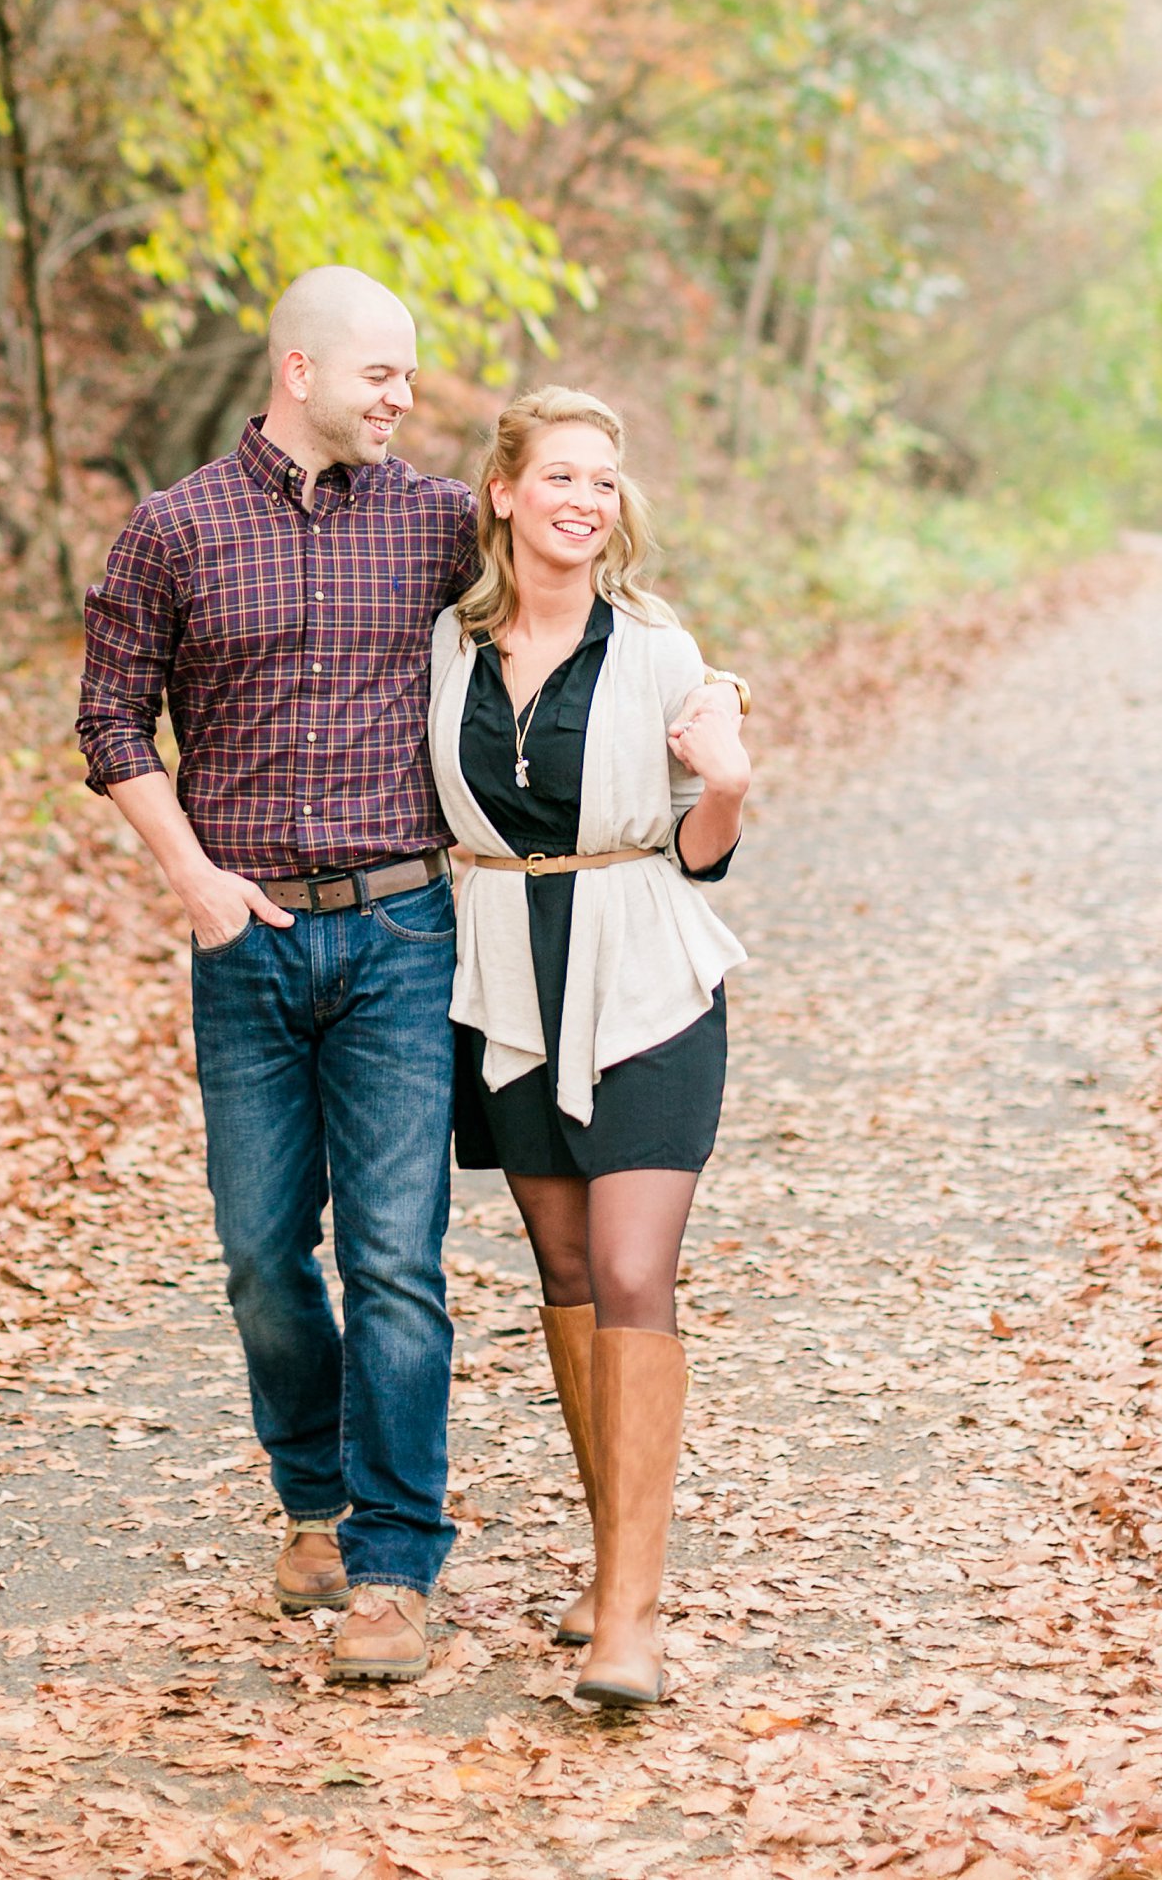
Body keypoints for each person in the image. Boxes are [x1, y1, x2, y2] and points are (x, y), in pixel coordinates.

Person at [75, 266, 476, 1682]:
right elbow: (111, 720)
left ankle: (393, 1563)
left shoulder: (438, 523)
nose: (405, 399)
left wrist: (696, 691)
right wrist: (190, 876)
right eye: (385, 376)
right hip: (244, 939)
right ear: (301, 370)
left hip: (402, 937)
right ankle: (308, 1497)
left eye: (410, 379)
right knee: (260, 1259)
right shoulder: (174, 528)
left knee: (394, 1261)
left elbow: (572, 600)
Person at [428, 384, 751, 1708]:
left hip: (645, 979)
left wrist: (725, 782)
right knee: (562, 1266)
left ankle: (630, 1619)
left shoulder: (662, 651)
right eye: (558, 475)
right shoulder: (443, 647)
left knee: (630, 1268)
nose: (582, 499)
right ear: (503, 493)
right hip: (506, 971)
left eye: (602, 482)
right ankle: (610, 1553)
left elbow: (705, 852)